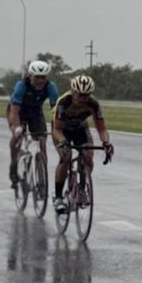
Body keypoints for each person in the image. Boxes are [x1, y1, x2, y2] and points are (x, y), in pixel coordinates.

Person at [51, 75, 114, 214]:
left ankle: (82, 186)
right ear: (73, 92)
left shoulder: (93, 104)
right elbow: (57, 129)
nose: (82, 99)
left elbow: (102, 128)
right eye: (80, 95)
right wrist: (62, 142)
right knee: (65, 157)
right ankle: (58, 197)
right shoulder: (64, 102)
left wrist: (106, 142)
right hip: (62, 129)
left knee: (88, 154)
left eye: (86, 96)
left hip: (80, 128)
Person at [7, 60, 60, 187]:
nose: (40, 81)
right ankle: (13, 164)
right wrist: (16, 128)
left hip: (35, 112)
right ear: (30, 76)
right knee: (17, 136)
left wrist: (56, 130)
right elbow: (14, 112)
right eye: (37, 77)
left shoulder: (51, 88)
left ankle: (42, 172)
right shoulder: (21, 86)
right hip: (18, 111)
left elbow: (56, 113)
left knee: (42, 139)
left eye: (43, 78)